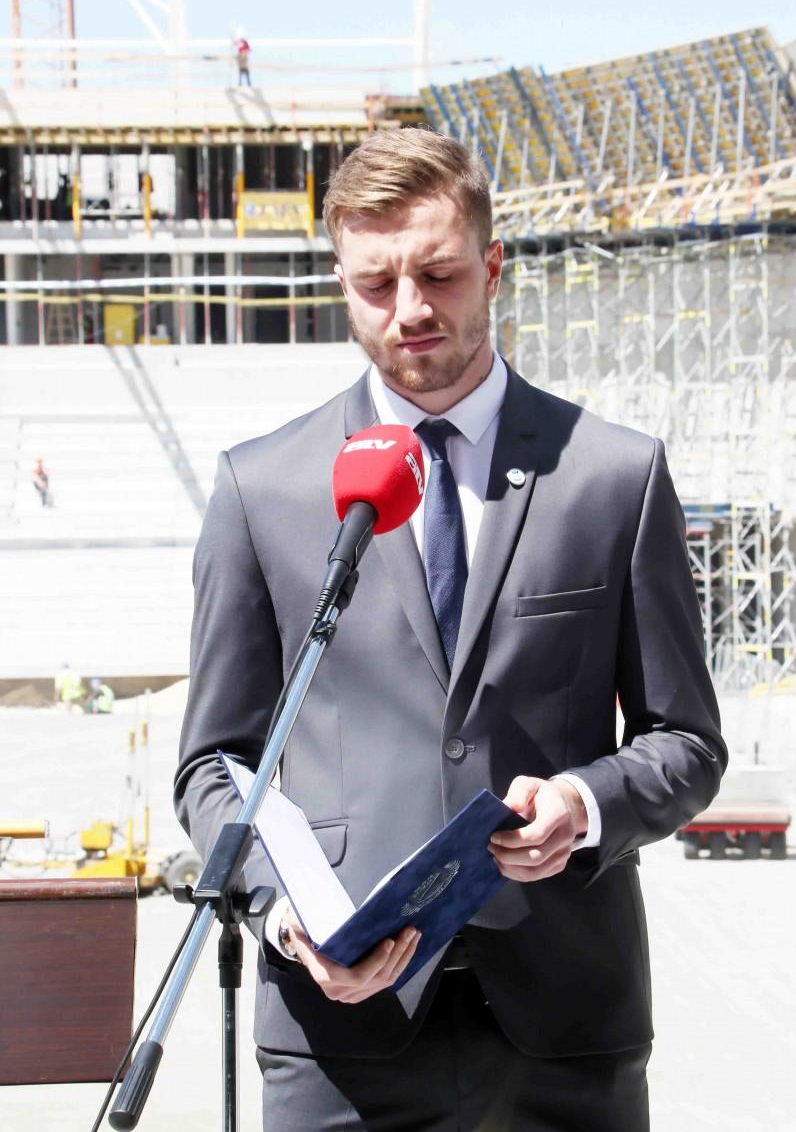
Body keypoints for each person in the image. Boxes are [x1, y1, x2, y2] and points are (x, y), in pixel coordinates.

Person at [175, 128, 727, 1131]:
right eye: (375, 284)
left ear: (493, 266)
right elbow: (215, 764)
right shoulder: (261, 489)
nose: (411, 310)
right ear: (340, 284)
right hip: (338, 1032)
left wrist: (584, 802)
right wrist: (287, 914)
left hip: (566, 1025)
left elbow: (685, 741)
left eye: (438, 274)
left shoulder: (613, 476)